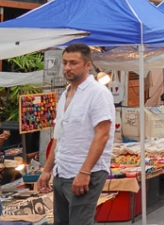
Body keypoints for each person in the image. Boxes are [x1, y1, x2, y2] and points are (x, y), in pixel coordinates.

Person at [37, 44, 115, 225]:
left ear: (88, 65)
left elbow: (102, 135)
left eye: (73, 63)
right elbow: (59, 135)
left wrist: (85, 171)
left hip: (86, 171)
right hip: (62, 169)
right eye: (65, 63)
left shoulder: (98, 93)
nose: (67, 68)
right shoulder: (65, 94)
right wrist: (47, 170)